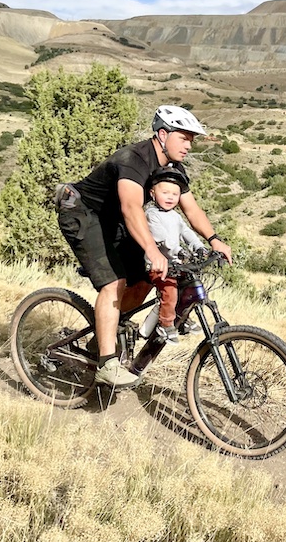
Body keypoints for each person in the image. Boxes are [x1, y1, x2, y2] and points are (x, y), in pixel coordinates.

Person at [56, 104, 232, 387]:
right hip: (83, 214)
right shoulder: (134, 159)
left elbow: (191, 209)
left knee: (145, 279)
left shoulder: (172, 168)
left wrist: (214, 240)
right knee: (114, 282)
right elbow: (130, 207)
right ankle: (107, 363)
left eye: (192, 140)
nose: (189, 145)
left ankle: (104, 336)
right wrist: (151, 250)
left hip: (114, 222)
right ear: (163, 134)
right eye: (184, 138)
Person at [143, 166, 206, 344]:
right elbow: (162, 239)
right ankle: (165, 324)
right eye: (165, 192)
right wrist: (179, 251)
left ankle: (182, 319)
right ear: (153, 193)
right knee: (169, 292)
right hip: (158, 266)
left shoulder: (175, 216)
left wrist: (199, 247)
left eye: (175, 194)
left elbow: (187, 232)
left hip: (176, 265)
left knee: (189, 287)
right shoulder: (151, 215)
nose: (170, 197)